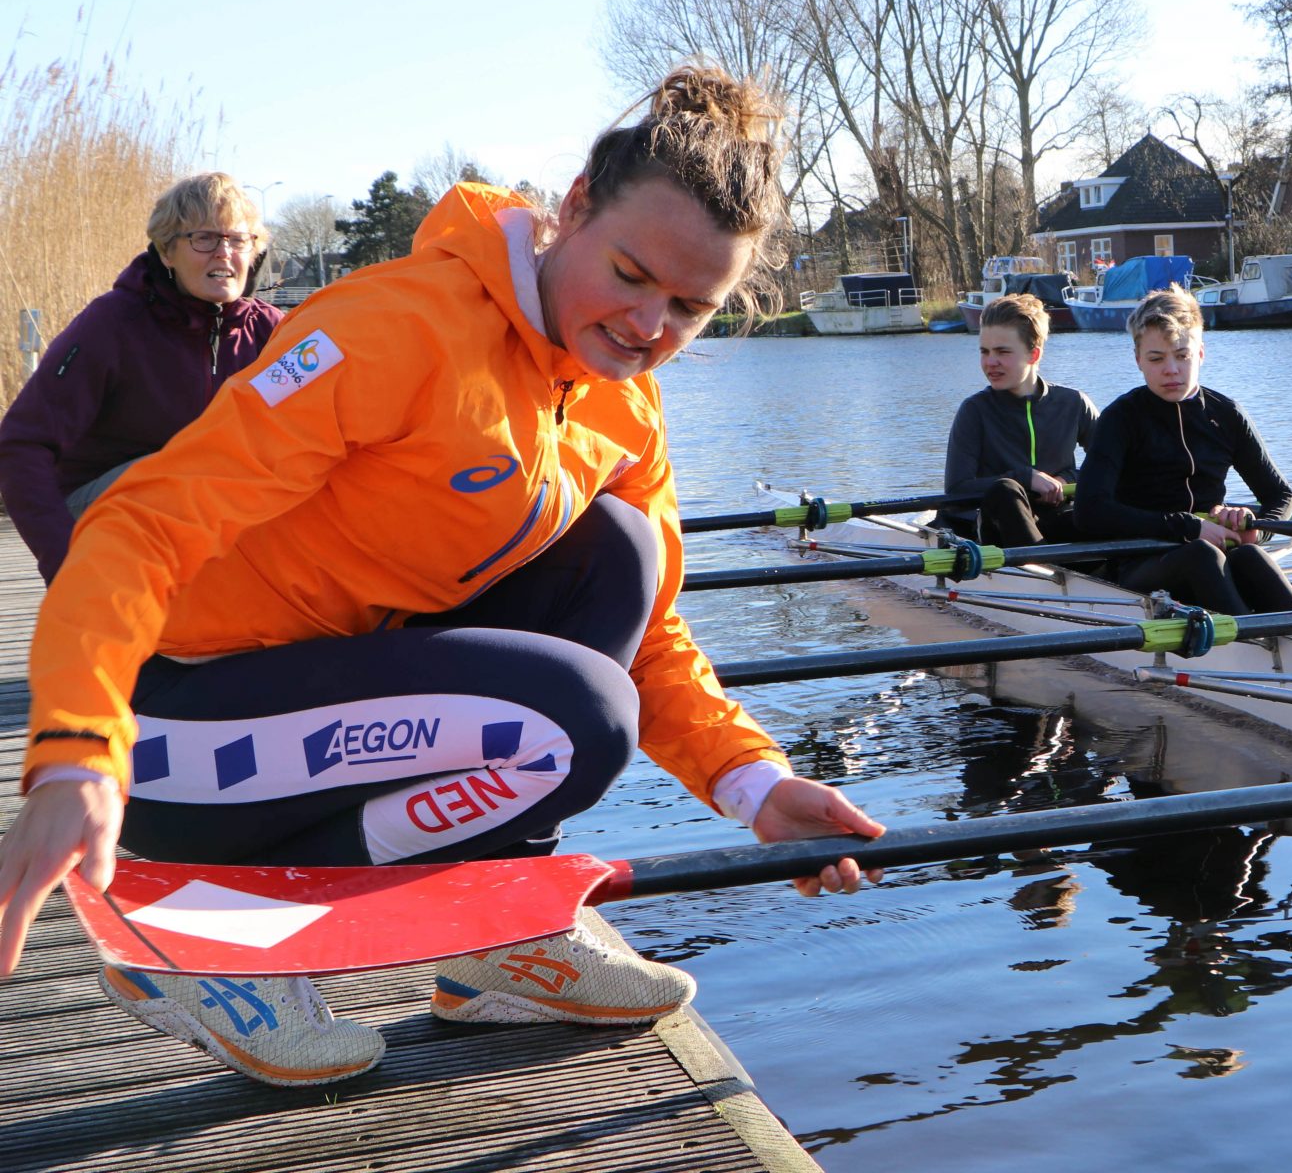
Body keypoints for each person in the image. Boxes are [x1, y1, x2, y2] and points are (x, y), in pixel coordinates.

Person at [0, 66, 884, 1087]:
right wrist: (75, 750)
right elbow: (139, 526)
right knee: (579, 721)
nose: (649, 327)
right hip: (172, 729)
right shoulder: (396, 327)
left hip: (323, 704)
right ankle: (202, 937)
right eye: (632, 275)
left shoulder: (621, 407)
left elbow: (650, 630)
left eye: (691, 307)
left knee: (617, 553)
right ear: (576, 208)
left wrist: (754, 784)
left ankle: (497, 942)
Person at [0, 173, 286, 584]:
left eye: (238, 240)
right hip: (99, 520)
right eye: (204, 238)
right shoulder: (114, 324)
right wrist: (63, 560)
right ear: (167, 251)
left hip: (211, 521)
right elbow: (22, 444)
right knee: (194, 468)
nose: (224, 253)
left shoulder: (272, 333)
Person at [1074, 286, 1292, 615]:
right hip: (1139, 564)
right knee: (1202, 554)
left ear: (1200, 354)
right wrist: (1187, 526)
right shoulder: (1121, 419)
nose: (1171, 369)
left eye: (1182, 355)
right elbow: (1089, 511)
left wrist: (1257, 526)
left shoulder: (1226, 414)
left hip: (1214, 555)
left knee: (1251, 555)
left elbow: (1282, 495)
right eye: (1156, 358)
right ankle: (1254, 646)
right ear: (1138, 359)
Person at [940, 293, 1096, 547]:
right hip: (995, 527)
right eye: (985, 351)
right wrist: (1026, 478)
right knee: (1006, 491)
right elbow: (957, 490)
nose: (991, 362)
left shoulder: (1073, 403)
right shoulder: (974, 411)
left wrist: (1066, 479)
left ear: (1033, 355)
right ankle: (1048, 567)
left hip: (1054, 519)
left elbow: (1112, 466)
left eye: (1002, 352)